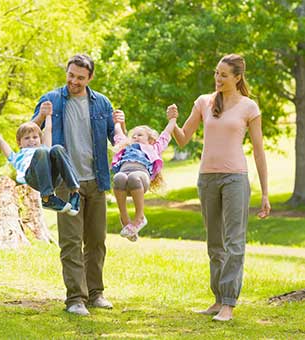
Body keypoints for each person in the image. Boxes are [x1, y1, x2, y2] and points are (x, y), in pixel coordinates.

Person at [167, 54, 271, 322]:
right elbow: (182, 139)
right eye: (216, 73)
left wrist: (266, 193)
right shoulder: (204, 102)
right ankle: (217, 300)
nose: (218, 78)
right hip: (207, 179)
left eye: (224, 75)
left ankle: (228, 303)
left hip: (235, 178)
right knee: (215, 242)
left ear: (237, 78)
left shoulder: (249, 107)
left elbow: (259, 151)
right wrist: (172, 121)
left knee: (234, 241)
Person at [32, 54, 125, 316]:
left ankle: (96, 294)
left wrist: (121, 124)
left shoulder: (102, 104)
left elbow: (117, 140)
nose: (74, 81)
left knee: (96, 240)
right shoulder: (52, 100)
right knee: (71, 241)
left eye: (80, 78)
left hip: (95, 180)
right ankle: (75, 298)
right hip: (65, 182)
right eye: (71, 75)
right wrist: (40, 116)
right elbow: (30, 133)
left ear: (90, 78)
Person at [0, 101, 80, 215]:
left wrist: (48, 115)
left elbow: (48, 130)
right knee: (41, 152)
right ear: (19, 143)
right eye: (27, 138)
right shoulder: (17, 156)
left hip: (53, 178)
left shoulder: (45, 147)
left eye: (35, 137)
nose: (31, 140)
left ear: (40, 139)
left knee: (57, 148)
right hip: (34, 178)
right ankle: (47, 198)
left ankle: (74, 192)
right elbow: (0, 141)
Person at [111, 116, 176, 242]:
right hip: (124, 178)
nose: (135, 137)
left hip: (141, 177)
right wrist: (118, 122)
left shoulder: (154, 147)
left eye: (140, 135)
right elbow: (118, 134)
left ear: (150, 140)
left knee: (134, 177)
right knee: (118, 177)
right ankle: (125, 219)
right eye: (133, 135)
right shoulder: (125, 146)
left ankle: (139, 217)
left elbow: (166, 134)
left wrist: (172, 119)